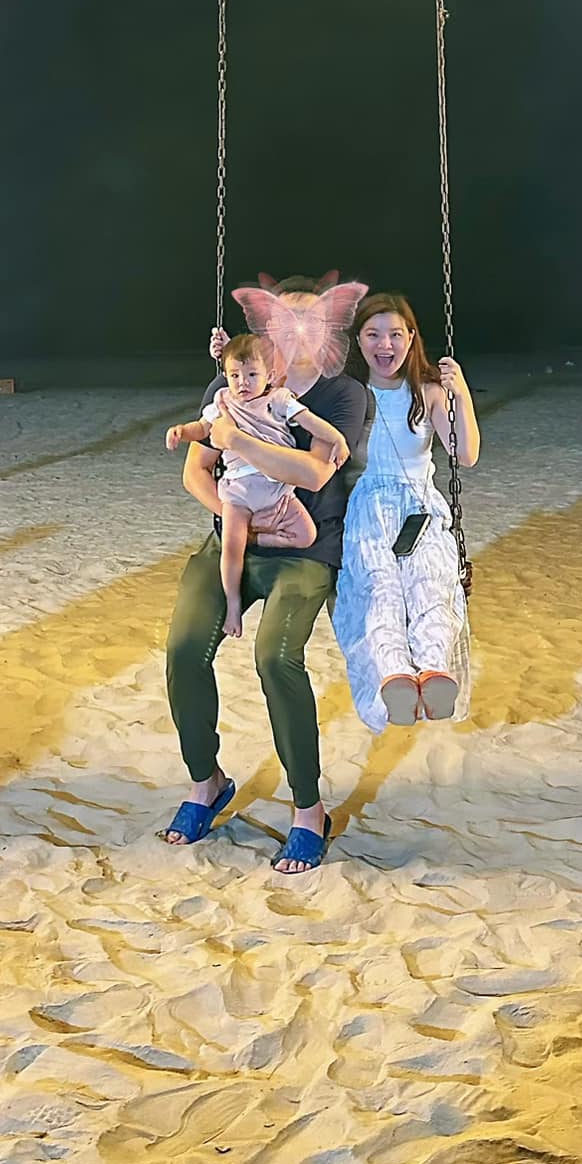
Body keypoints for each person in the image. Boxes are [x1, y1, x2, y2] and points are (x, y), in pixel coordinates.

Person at [161, 274, 370, 874]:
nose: (297, 331)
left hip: (305, 548)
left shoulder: (342, 394)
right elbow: (196, 471)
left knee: (275, 658)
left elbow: (315, 473)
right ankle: (206, 782)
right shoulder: (229, 382)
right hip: (235, 540)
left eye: (311, 321)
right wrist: (242, 524)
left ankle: (309, 809)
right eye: (284, 320)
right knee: (183, 648)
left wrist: (238, 442)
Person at [333, 292, 480, 732]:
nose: (386, 345)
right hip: (369, 508)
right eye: (373, 334)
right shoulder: (349, 395)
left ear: (411, 338)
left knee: (430, 583)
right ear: (358, 341)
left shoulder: (428, 392)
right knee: (380, 591)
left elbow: (465, 453)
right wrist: (227, 359)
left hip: (420, 507)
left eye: (396, 334)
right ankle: (395, 676)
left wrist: (460, 392)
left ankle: (434, 671)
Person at [165, 331, 350, 635]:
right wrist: (181, 432)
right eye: (235, 375)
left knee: (306, 535)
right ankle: (233, 605)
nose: (243, 383)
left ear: (270, 376)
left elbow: (312, 423)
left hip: (277, 490)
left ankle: (261, 539)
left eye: (252, 375)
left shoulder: (279, 399)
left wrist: (338, 439)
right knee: (231, 549)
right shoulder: (222, 401)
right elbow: (202, 428)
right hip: (238, 493)